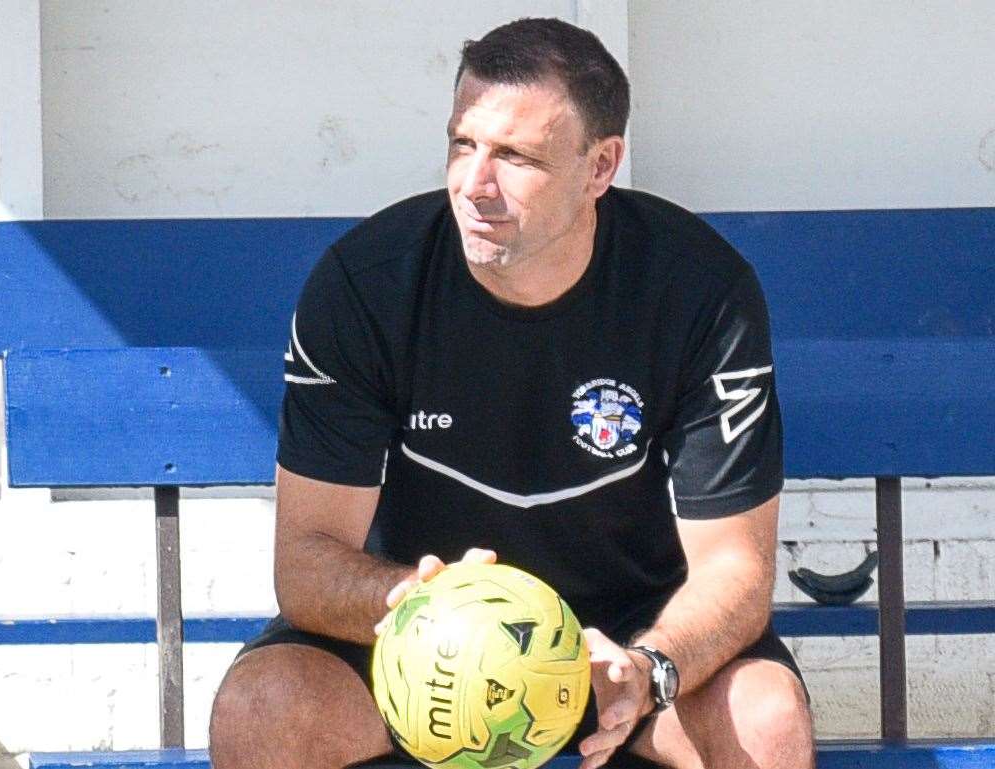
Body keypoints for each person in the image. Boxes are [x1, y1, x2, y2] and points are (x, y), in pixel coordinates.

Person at [209, 17, 815, 769]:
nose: (474, 183)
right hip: (426, 639)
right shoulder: (364, 286)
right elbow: (305, 561)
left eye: (515, 157)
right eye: (464, 143)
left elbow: (737, 569)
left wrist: (651, 665)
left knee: (765, 718)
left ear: (601, 166)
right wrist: (416, 601)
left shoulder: (700, 292)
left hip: (621, 646)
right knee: (263, 710)